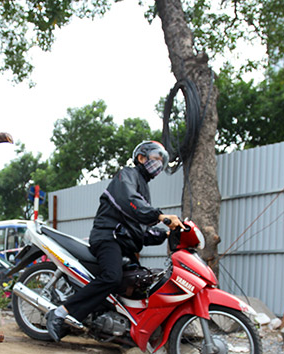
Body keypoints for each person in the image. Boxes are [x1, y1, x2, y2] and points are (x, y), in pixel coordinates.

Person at [45, 141, 183, 342]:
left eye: (162, 161)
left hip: (125, 244)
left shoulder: (144, 188)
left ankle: (115, 329)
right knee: (112, 277)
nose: (159, 164)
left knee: (138, 282)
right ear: (141, 158)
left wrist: (165, 234)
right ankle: (60, 313)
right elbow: (130, 202)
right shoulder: (127, 175)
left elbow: (142, 231)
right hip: (108, 237)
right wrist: (160, 216)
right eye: (156, 158)